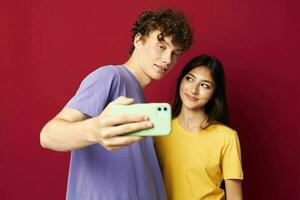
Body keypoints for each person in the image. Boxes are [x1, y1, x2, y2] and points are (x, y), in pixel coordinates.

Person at [40, 9, 193, 200]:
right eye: (161, 46)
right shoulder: (111, 76)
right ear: (139, 40)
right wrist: (94, 130)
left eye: (175, 53)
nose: (167, 60)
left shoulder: (143, 104)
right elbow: (48, 135)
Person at [155, 55, 243, 200]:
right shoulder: (159, 131)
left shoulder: (227, 137)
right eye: (189, 79)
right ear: (181, 81)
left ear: (214, 94)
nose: (194, 90)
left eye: (204, 85)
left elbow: (235, 198)